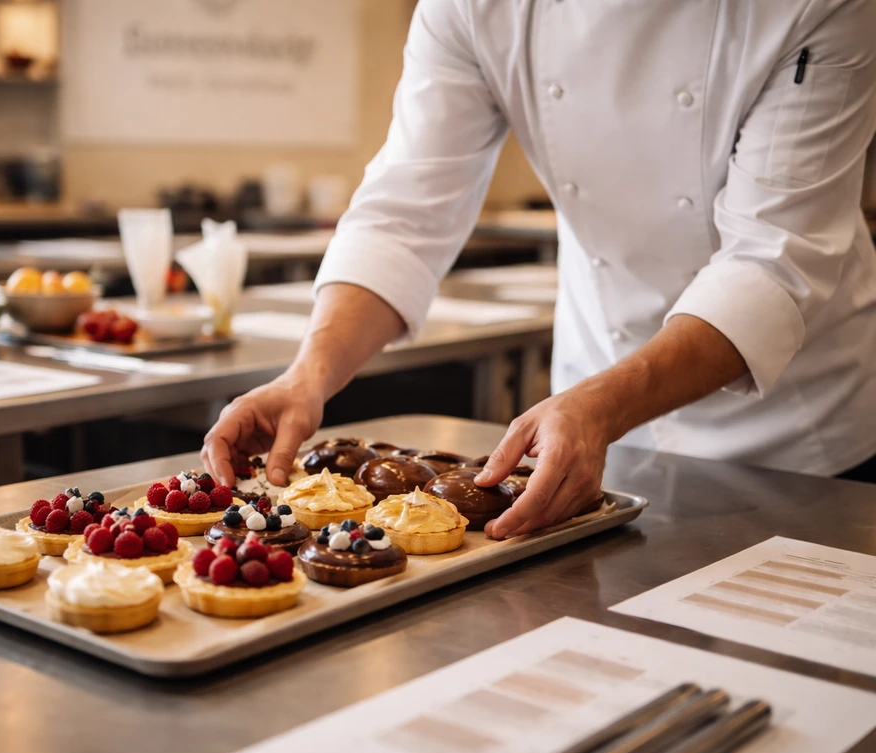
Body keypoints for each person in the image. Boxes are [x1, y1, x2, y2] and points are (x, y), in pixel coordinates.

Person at [204, 0, 876, 537]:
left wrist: (604, 407)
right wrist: (307, 376)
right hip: (582, 411)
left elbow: (772, 256)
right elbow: (404, 213)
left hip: (797, 434)